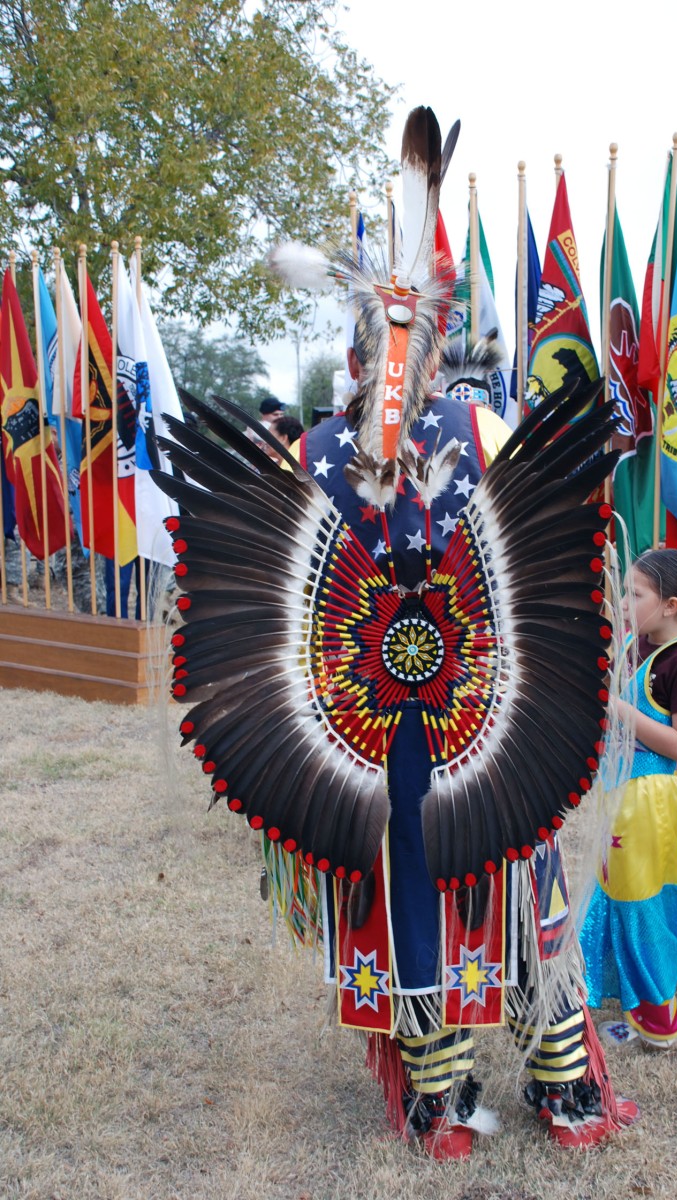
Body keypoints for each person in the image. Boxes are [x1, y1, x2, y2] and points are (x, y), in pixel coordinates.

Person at [154, 105, 637, 1161]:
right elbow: (257, 602)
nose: (399, 359)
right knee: (422, 893)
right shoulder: (344, 450)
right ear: (364, 342)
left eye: (408, 338)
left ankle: (540, 1077)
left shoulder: (473, 432)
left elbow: (565, 549)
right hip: (375, 741)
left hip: (483, 724)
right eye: (385, 337)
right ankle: (450, 1090)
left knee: (501, 877)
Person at [580, 548, 677, 1050]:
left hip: (648, 795)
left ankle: (658, 1023)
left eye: (635, 593)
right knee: (627, 888)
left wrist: (617, 707)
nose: (624, 600)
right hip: (628, 794)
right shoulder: (643, 647)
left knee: (635, 897)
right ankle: (635, 983)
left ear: (670, 605)